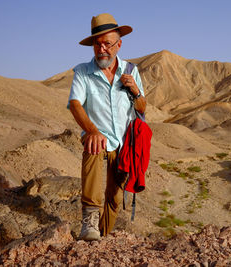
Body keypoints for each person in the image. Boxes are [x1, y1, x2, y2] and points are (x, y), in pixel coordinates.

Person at [67, 13, 146, 241]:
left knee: (115, 195)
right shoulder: (83, 71)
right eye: (97, 44)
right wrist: (91, 130)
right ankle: (89, 222)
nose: (102, 49)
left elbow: (142, 108)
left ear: (118, 45)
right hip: (98, 137)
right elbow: (75, 104)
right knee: (93, 145)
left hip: (124, 142)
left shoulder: (131, 71)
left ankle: (103, 234)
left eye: (107, 44)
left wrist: (135, 91)